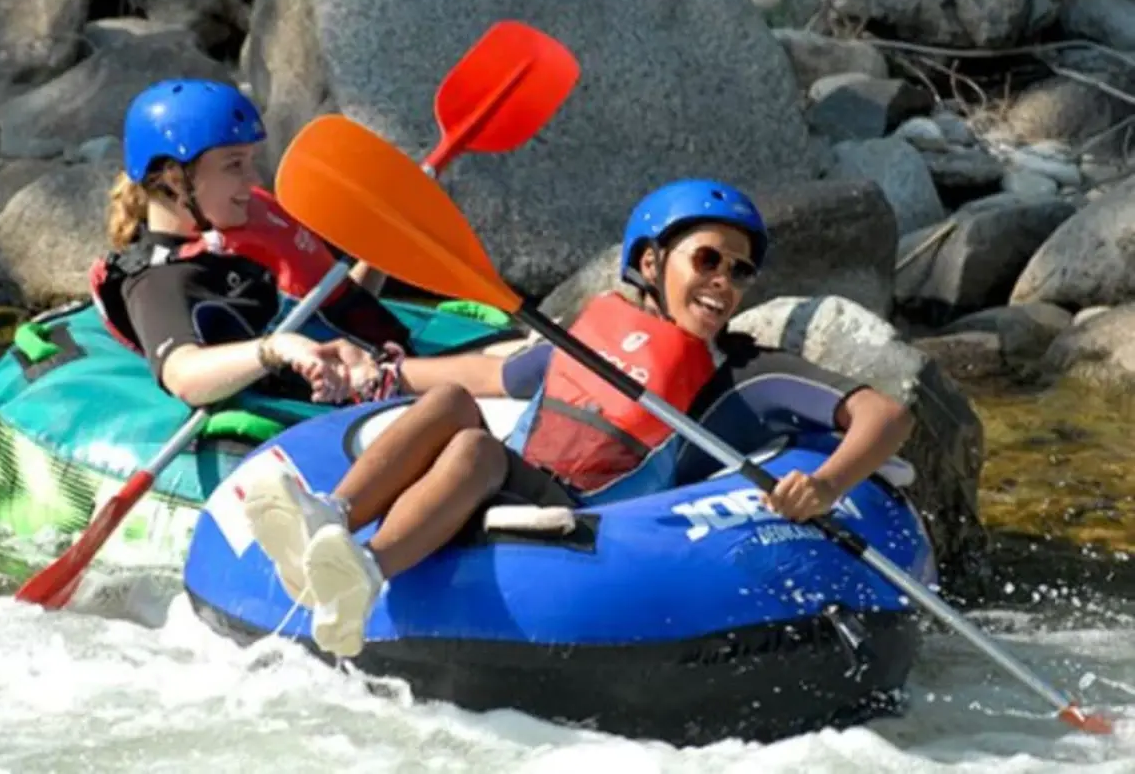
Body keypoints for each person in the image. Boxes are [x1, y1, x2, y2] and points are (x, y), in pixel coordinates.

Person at [242, 178, 916, 659]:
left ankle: (365, 574)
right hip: (512, 479)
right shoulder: (589, 338)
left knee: (476, 450)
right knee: (448, 405)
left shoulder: (746, 373)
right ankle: (330, 516)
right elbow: (491, 377)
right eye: (708, 260)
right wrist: (383, 375)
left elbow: (884, 416)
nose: (725, 282)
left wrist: (825, 484)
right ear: (651, 262)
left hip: (587, 520)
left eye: (739, 273)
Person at [95, 78, 412, 408]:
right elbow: (182, 375)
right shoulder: (159, 279)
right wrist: (275, 348)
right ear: (175, 179)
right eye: (235, 165)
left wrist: (379, 251)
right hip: (364, 386)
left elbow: (328, 312)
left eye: (250, 161)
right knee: (454, 383)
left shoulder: (232, 239)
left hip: (380, 361)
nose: (255, 180)